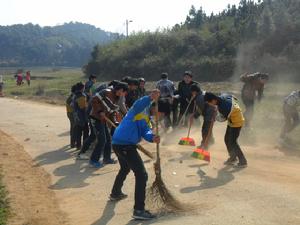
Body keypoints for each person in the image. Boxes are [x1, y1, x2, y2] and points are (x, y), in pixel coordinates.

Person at [109, 89, 160, 220]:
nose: (156, 113)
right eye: (155, 111)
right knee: (142, 174)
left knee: (125, 168)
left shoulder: (144, 118)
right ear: (152, 107)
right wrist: (150, 97)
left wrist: (152, 138)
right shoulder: (137, 110)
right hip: (125, 145)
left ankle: (115, 193)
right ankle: (139, 210)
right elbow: (138, 104)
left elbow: (145, 131)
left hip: (118, 143)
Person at [88, 82, 128, 168]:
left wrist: (115, 122)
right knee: (102, 140)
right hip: (95, 118)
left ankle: (107, 158)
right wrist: (100, 111)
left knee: (108, 139)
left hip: (103, 120)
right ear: (121, 90)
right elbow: (94, 100)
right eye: (124, 93)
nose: (124, 95)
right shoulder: (106, 92)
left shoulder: (117, 99)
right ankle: (93, 160)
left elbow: (112, 112)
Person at [204, 92, 247, 168]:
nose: (210, 105)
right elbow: (233, 97)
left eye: (209, 103)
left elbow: (222, 119)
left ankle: (243, 161)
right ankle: (233, 157)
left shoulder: (224, 108)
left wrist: (215, 117)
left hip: (237, 122)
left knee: (233, 142)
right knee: (226, 139)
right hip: (232, 120)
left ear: (213, 100)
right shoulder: (223, 96)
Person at [190, 84, 216, 149]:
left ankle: (204, 145)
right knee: (209, 128)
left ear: (194, 91)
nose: (191, 93)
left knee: (205, 130)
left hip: (209, 114)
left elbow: (201, 109)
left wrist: (194, 115)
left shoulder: (199, 98)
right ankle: (211, 141)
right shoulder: (203, 93)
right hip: (213, 112)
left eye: (192, 92)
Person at [72, 82, 89, 150]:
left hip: (76, 115)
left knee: (78, 132)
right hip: (82, 116)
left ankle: (78, 145)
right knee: (85, 131)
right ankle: (84, 146)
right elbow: (83, 108)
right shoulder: (81, 96)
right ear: (82, 88)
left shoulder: (75, 95)